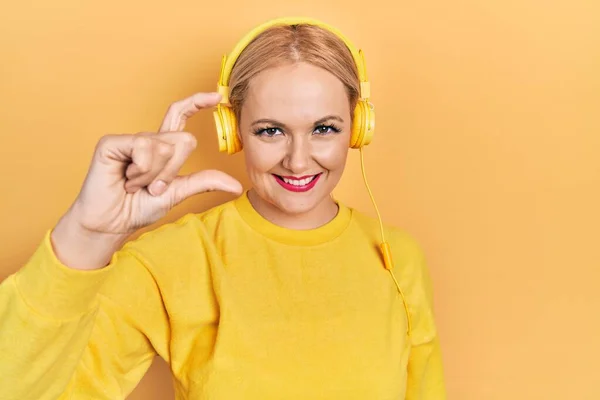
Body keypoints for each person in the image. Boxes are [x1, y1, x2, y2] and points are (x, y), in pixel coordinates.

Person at [0, 17, 446, 399]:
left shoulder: (397, 256)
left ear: (358, 126)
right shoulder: (170, 260)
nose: (297, 159)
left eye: (324, 128)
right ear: (232, 132)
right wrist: (86, 234)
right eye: (271, 131)